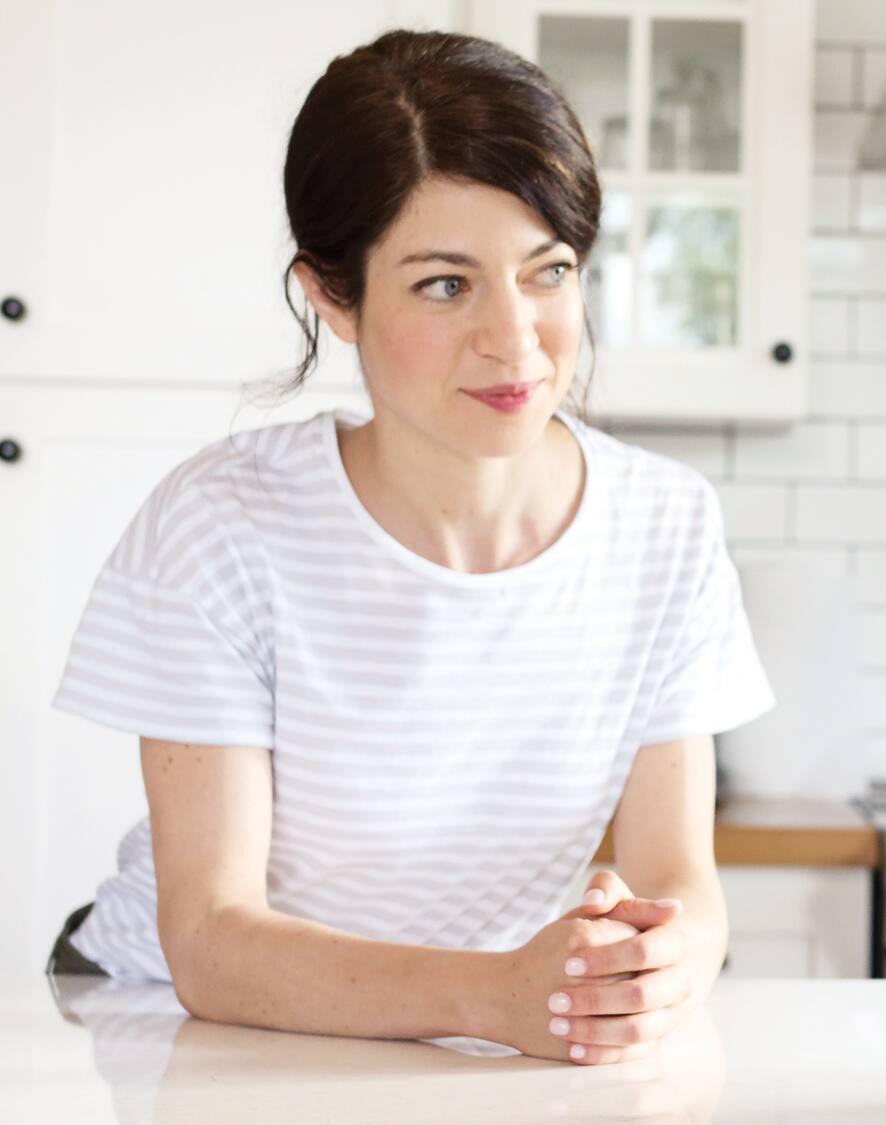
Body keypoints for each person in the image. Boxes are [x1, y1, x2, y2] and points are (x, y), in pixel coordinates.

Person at [45, 29, 772, 1067]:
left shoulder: (667, 526)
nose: (515, 339)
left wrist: (658, 964)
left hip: (464, 1042)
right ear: (331, 296)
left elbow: (680, 883)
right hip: (168, 1025)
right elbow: (209, 938)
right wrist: (498, 995)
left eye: (547, 271)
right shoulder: (223, 523)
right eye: (445, 284)